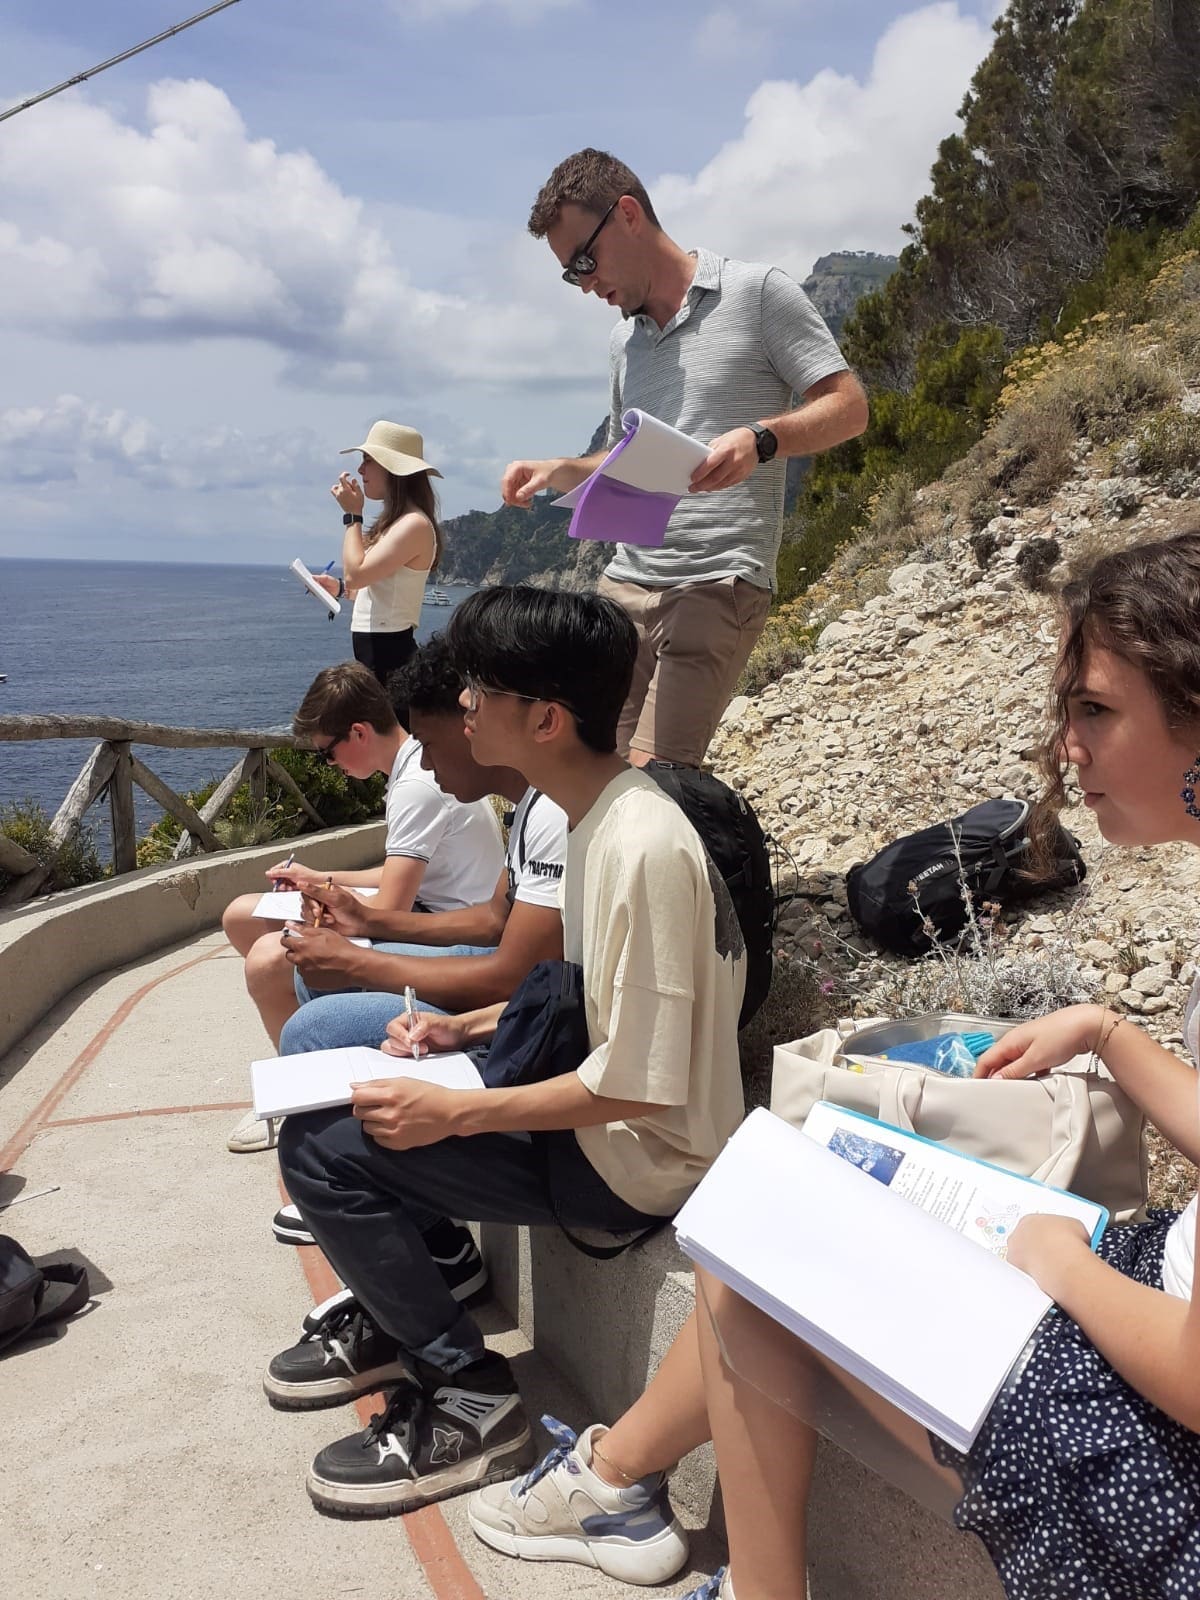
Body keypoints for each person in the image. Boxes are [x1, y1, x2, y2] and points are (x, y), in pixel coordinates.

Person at [467, 529, 1200, 1599]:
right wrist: (1108, 1033)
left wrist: (1056, 1260)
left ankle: (670, 1519)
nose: (1063, 749)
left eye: (1094, 709)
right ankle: (633, 1486)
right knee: (782, 1197)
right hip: (1155, 1286)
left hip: (1152, 1478)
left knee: (753, 1225)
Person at [263, 586, 746, 1520]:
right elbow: (585, 1001)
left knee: (322, 1150)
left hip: (636, 1164)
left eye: (481, 691)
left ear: (546, 718)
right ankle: (415, 1318)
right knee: (337, 1118)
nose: (465, 706)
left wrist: (458, 1109)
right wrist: (461, 1032)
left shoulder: (636, 845)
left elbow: (638, 1087)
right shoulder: (603, 812)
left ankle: (471, 1401)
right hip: (611, 1127)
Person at [502, 147, 868, 769]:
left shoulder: (757, 294)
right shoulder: (625, 342)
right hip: (625, 584)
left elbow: (850, 407)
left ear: (627, 216)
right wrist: (562, 470)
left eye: (583, 262)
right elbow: (627, 458)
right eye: (571, 274)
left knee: (649, 783)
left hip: (716, 581)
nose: (585, 284)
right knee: (581, 769)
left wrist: (762, 439)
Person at [266, 635, 569, 1250]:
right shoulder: (536, 803)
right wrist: (367, 921)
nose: (426, 764)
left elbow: (509, 973)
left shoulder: (555, 812)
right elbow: (492, 919)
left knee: (310, 1027)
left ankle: (428, 1234)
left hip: (537, 1024)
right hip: (528, 1001)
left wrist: (361, 957)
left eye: (431, 742)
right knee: (313, 991)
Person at [221, 661, 502, 1150]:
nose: (331, 765)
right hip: (438, 916)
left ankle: (300, 1096)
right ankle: (301, 1074)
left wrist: (330, 911)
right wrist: (320, 880)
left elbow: (390, 906)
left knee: (268, 960)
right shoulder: (415, 766)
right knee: (244, 914)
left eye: (328, 755)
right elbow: (402, 873)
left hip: (450, 933)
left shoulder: (417, 784)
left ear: (357, 732)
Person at [315, 420, 442, 687]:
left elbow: (356, 574)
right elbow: (377, 589)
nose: (360, 469)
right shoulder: (399, 523)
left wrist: (352, 516)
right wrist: (339, 588)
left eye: (367, 460)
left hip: (389, 654)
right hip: (380, 650)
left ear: (392, 468)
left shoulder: (414, 524)